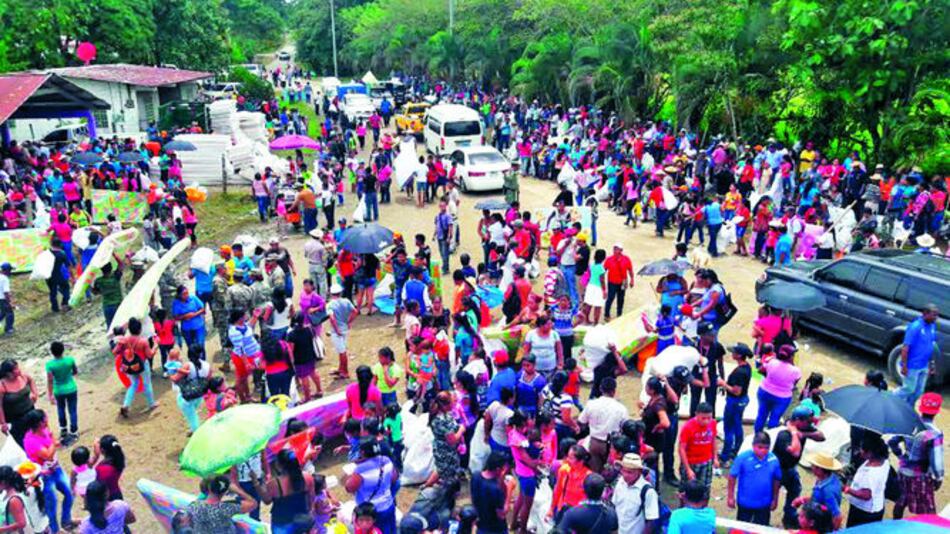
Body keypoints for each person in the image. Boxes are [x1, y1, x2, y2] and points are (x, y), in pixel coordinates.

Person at [889, 391, 944, 517]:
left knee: (901, 500)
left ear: (921, 408)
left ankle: (896, 522)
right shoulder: (935, 434)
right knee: (928, 510)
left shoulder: (908, 424)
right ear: (936, 411)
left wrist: (901, 456)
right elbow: (936, 461)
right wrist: (939, 478)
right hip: (921, 476)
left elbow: (892, 442)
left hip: (903, 470)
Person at [23, 409, 76, 532]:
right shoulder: (30, 441)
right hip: (44, 476)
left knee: (70, 492)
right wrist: (54, 443)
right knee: (51, 505)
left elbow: (52, 447)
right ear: (39, 423)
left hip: (56, 469)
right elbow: (48, 455)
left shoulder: (44, 430)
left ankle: (66, 520)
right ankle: (55, 530)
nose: (47, 419)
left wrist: (54, 442)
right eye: (44, 419)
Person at [772, 406, 825, 528]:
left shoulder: (803, 427)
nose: (810, 424)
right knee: (770, 497)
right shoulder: (784, 433)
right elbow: (795, 452)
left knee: (795, 491)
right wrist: (795, 433)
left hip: (791, 468)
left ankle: (789, 519)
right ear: (797, 420)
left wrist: (804, 434)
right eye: (808, 421)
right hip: (777, 470)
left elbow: (821, 436)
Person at [252, 449, 315, 534]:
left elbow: (267, 501)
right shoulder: (307, 477)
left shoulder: (274, 484)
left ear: (279, 465)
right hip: (303, 520)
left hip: (282, 524)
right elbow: (311, 499)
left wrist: (255, 483)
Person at [345, 438, 398, 534]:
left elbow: (349, 488)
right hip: (389, 504)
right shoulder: (386, 460)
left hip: (372, 511)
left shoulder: (361, 469)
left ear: (362, 452)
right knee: (392, 529)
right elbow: (394, 478)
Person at [727, 432, 781, 526]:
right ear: (753, 445)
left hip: (764, 503)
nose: (763, 451)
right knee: (743, 528)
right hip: (745, 503)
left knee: (762, 528)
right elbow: (732, 476)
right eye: (760, 447)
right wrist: (730, 497)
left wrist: (775, 499)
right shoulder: (743, 458)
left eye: (766, 448)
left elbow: (776, 480)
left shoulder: (774, 459)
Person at [578, 377, 628, 472]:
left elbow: (581, 421)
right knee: (610, 472)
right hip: (613, 445)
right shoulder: (621, 408)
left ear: (600, 389)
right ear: (614, 391)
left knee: (595, 470)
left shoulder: (591, 404)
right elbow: (625, 427)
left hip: (594, 442)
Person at [112, 318, 157, 418]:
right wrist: (155, 345)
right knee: (147, 383)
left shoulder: (124, 340)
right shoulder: (143, 341)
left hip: (129, 365)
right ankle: (151, 403)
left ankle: (126, 405)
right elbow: (149, 355)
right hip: (142, 365)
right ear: (140, 329)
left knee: (133, 384)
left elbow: (114, 352)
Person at [896, 303, 939, 407]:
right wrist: (904, 365)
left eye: (937, 315)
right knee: (908, 389)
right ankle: (889, 398)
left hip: (924, 365)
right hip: (912, 365)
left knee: (918, 392)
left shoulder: (932, 326)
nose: (936, 318)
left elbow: (931, 345)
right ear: (925, 313)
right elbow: (905, 347)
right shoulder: (915, 327)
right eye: (934, 315)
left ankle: (908, 408)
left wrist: (932, 363)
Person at [186, 474, 258, 534]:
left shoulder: (193, 506)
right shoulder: (227, 508)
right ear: (225, 491)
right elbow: (253, 504)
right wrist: (237, 490)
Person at [717, 343, 753, 463]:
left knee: (729, 428)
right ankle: (737, 449)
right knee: (738, 425)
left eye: (734, 352)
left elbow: (736, 391)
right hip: (742, 400)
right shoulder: (747, 367)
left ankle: (725, 455)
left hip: (735, 402)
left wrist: (723, 384)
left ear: (739, 355)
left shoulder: (739, 373)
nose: (732, 354)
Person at [845, 434, 890, 527]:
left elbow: (866, 495)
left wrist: (847, 489)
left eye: (862, 449)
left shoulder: (871, 473)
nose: (860, 450)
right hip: (876, 505)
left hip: (864, 512)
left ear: (870, 453)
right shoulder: (883, 461)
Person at [754, 344, 801, 432]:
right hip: (782, 398)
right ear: (791, 356)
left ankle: (757, 435)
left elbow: (760, 370)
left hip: (764, 391)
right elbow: (794, 383)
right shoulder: (796, 371)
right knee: (774, 419)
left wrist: (769, 376)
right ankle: (770, 437)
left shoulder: (772, 362)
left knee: (761, 416)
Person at [792, 452, 844, 530]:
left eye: (814, 466)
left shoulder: (827, 491)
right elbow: (818, 500)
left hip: (821, 526)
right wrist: (803, 500)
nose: (812, 468)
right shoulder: (825, 479)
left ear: (820, 469)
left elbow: (837, 517)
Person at [611, 453, 659, 534]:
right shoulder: (620, 483)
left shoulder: (648, 492)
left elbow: (651, 520)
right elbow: (615, 505)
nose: (625, 475)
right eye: (624, 471)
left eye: (630, 472)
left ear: (639, 472)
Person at [427, 392, 465, 490]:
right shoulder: (442, 420)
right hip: (446, 452)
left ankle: (425, 487)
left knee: (440, 470)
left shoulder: (443, 415)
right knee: (447, 476)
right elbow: (452, 440)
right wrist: (461, 429)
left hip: (442, 449)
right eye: (452, 402)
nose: (454, 404)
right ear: (445, 405)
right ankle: (445, 493)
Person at [167, 347, 210, 434]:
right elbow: (209, 379)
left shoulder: (188, 365)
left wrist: (169, 375)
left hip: (187, 396)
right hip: (199, 394)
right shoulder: (207, 365)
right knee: (192, 413)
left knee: (192, 417)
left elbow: (175, 379)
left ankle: (196, 432)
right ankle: (193, 429)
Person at [677, 402, 718, 493]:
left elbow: (713, 441)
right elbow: (681, 449)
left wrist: (715, 458)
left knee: (705, 488)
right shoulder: (688, 427)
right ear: (696, 414)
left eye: (709, 418)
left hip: (706, 461)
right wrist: (688, 469)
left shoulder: (713, 423)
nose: (706, 421)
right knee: (687, 489)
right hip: (691, 462)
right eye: (703, 418)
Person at [470, 451, 514, 534]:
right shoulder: (495, 489)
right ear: (498, 469)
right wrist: (510, 490)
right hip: (496, 529)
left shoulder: (476, 476)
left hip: (481, 524)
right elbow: (502, 514)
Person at [0, 464, 48, 534]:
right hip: (40, 525)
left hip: (34, 528)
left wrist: (2, 529)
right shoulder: (35, 488)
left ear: (4, 482)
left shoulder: (16, 498)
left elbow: (22, 523)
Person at [286, 313, 324, 402]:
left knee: (304, 378)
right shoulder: (310, 329)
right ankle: (319, 390)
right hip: (311, 356)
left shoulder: (292, 334)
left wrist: (291, 361)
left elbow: (291, 350)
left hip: (300, 359)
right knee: (313, 372)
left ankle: (307, 397)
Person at [0, 360, 38, 447]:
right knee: (25, 444)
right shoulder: (2, 385)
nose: (19, 370)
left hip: (30, 412)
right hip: (15, 420)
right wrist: (3, 423)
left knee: (37, 438)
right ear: (8, 373)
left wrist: (35, 393)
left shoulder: (23, 376)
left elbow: (31, 380)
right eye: (16, 369)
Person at [327, 283, 358, 380]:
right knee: (341, 350)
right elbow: (355, 311)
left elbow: (332, 318)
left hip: (337, 331)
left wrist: (336, 330)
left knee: (342, 352)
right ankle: (341, 369)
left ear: (331, 293)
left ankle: (345, 372)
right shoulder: (346, 301)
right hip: (344, 328)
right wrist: (349, 322)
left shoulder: (330, 304)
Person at [172, 286, 207, 354]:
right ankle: (194, 359)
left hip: (198, 326)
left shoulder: (193, 298)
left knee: (200, 345)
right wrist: (184, 316)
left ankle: (202, 360)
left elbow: (203, 309)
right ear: (179, 295)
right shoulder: (176, 303)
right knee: (191, 348)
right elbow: (175, 317)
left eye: (187, 293)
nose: (186, 295)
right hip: (186, 329)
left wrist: (194, 314)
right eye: (184, 294)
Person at [603, 243, 634, 320]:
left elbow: (630, 270)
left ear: (621, 250)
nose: (615, 250)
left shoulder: (626, 259)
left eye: (617, 249)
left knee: (621, 298)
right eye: (614, 248)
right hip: (612, 282)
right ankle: (606, 314)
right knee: (610, 298)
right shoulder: (609, 259)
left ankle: (619, 314)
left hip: (623, 281)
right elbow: (604, 270)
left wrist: (632, 279)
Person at [94, 435, 126, 501]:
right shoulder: (119, 460)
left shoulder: (101, 468)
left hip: (105, 497)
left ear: (102, 450)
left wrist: (96, 455)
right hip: (116, 493)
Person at [0, 263, 13, 336]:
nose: (10, 272)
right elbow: (6, 292)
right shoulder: (5, 279)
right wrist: (9, 302)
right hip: (3, 299)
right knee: (9, 313)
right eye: (10, 270)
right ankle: (8, 330)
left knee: (3, 312)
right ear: (7, 270)